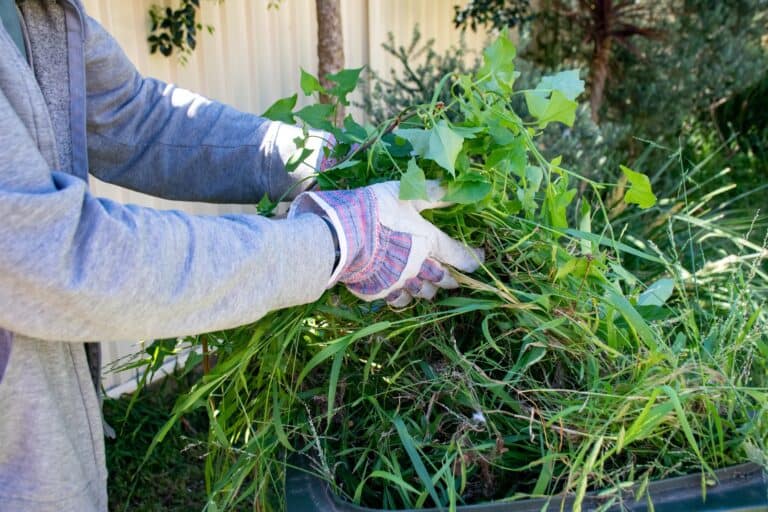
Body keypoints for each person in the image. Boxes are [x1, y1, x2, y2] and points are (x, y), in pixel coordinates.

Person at [0, 0, 483, 510]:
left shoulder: (36, 10)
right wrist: (338, 241)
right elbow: (53, 253)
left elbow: (130, 117)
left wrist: (298, 158)